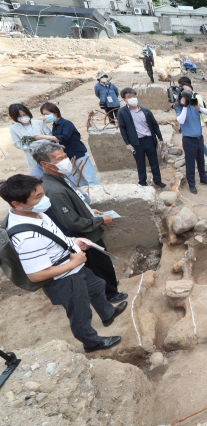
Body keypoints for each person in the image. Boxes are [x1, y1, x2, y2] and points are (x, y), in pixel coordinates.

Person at [0, 174, 126, 353]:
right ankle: (92, 343)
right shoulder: (27, 237)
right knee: (80, 313)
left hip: (72, 264)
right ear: (17, 203)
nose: (44, 199)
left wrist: (73, 241)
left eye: (43, 193)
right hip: (64, 279)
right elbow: (36, 275)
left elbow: (53, 235)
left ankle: (108, 314)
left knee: (97, 286)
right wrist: (74, 263)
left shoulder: (35, 212)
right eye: (38, 197)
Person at [33, 142, 128, 305]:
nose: (65, 161)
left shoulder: (59, 178)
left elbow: (74, 204)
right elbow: (72, 222)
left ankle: (108, 284)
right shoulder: (54, 189)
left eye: (64, 156)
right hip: (84, 235)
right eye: (59, 159)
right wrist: (100, 220)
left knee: (99, 265)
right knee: (100, 264)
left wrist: (90, 211)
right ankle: (109, 294)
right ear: (44, 164)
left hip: (86, 230)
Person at [36, 103, 99, 187]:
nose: (46, 116)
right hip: (68, 156)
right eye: (44, 115)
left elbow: (64, 137)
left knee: (90, 178)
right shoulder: (55, 125)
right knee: (78, 178)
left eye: (47, 114)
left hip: (78, 154)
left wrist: (44, 137)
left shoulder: (66, 123)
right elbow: (57, 142)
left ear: (55, 112)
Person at [117, 88, 166, 188]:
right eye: (129, 97)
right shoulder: (122, 112)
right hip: (136, 143)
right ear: (124, 100)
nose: (132, 98)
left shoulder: (145, 111)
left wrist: (160, 138)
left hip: (149, 140)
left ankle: (157, 181)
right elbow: (122, 128)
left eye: (134, 96)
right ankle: (142, 183)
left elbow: (154, 125)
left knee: (154, 162)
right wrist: (127, 143)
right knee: (140, 164)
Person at [176, 86, 207, 194]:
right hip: (188, 140)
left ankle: (203, 179)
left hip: (199, 138)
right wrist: (184, 106)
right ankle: (192, 184)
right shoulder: (179, 107)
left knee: (201, 161)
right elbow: (181, 120)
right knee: (190, 163)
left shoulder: (194, 104)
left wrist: (198, 107)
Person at [178, 77, 207, 162]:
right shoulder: (183, 98)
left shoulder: (196, 97)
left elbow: (202, 109)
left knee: (197, 141)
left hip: (198, 123)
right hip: (189, 123)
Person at [8, 104, 51, 173]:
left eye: (24, 114)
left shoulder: (39, 123)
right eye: (19, 116)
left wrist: (40, 142)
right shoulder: (13, 128)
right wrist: (31, 145)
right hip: (32, 158)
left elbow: (50, 136)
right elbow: (17, 143)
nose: (23, 117)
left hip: (48, 155)